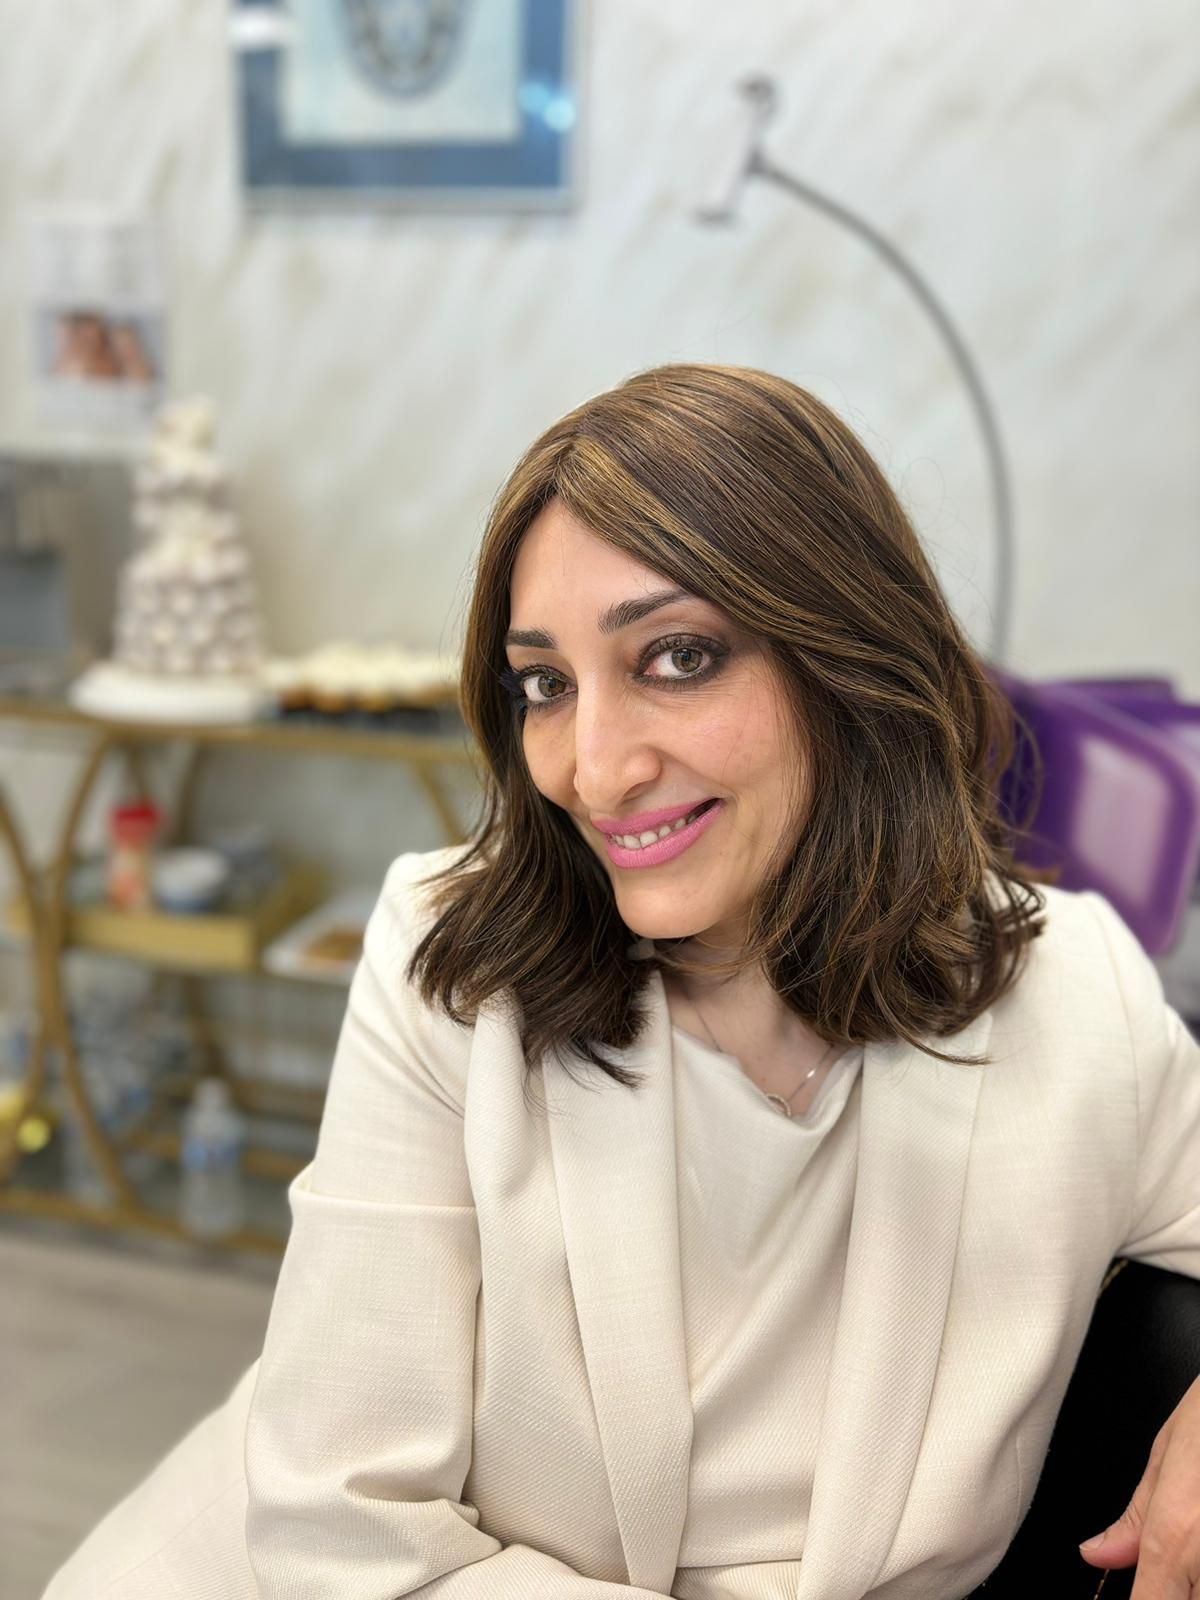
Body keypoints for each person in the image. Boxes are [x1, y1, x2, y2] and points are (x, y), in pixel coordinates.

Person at [46, 365, 1200, 1600]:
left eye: (677, 657)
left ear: (848, 656)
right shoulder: (451, 969)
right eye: (544, 683)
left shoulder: (1075, 1002)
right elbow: (344, 1533)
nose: (593, 768)